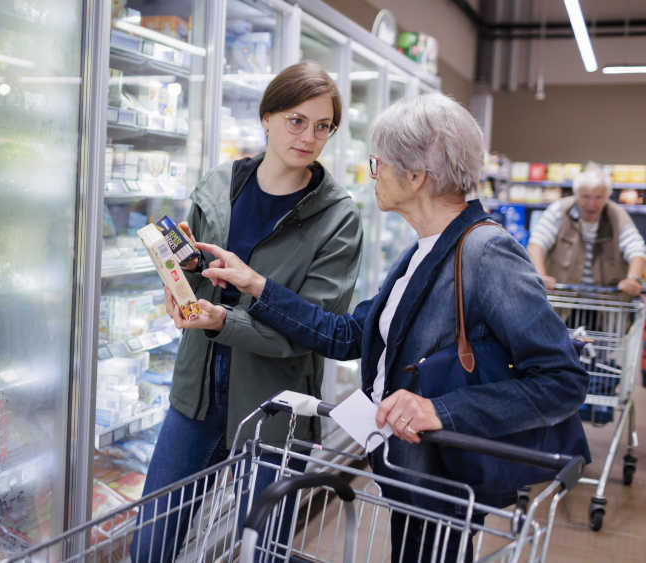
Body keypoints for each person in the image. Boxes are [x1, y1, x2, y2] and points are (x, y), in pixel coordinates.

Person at [178, 92, 589, 562]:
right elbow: (347, 334)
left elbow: (563, 381)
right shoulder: (424, 249)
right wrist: (256, 286)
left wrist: (442, 411)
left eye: (378, 165)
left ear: (414, 177)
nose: (373, 176)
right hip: (408, 470)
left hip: (447, 482)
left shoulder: (486, 253)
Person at [130, 61, 363, 562]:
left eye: (323, 126)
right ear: (267, 117)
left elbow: (309, 331)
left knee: (264, 549)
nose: (309, 137)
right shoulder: (220, 184)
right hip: (195, 397)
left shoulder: (337, 216)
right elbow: (195, 278)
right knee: (151, 541)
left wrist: (221, 321)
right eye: (296, 121)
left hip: (275, 410)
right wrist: (179, 280)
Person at [528, 163, 646, 297]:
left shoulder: (617, 215)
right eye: (586, 197)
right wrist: (541, 276)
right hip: (563, 296)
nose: (592, 204)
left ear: (607, 196)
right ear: (576, 194)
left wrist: (633, 279)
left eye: (598, 197)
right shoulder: (559, 210)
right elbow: (537, 243)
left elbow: (636, 248)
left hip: (605, 300)